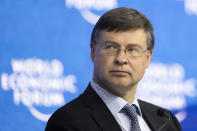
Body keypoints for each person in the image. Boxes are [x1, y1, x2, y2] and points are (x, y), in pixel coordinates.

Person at [45, 7, 182, 131]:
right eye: (111, 47)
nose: (121, 59)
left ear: (148, 57)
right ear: (93, 51)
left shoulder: (166, 121)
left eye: (132, 49)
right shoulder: (67, 122)